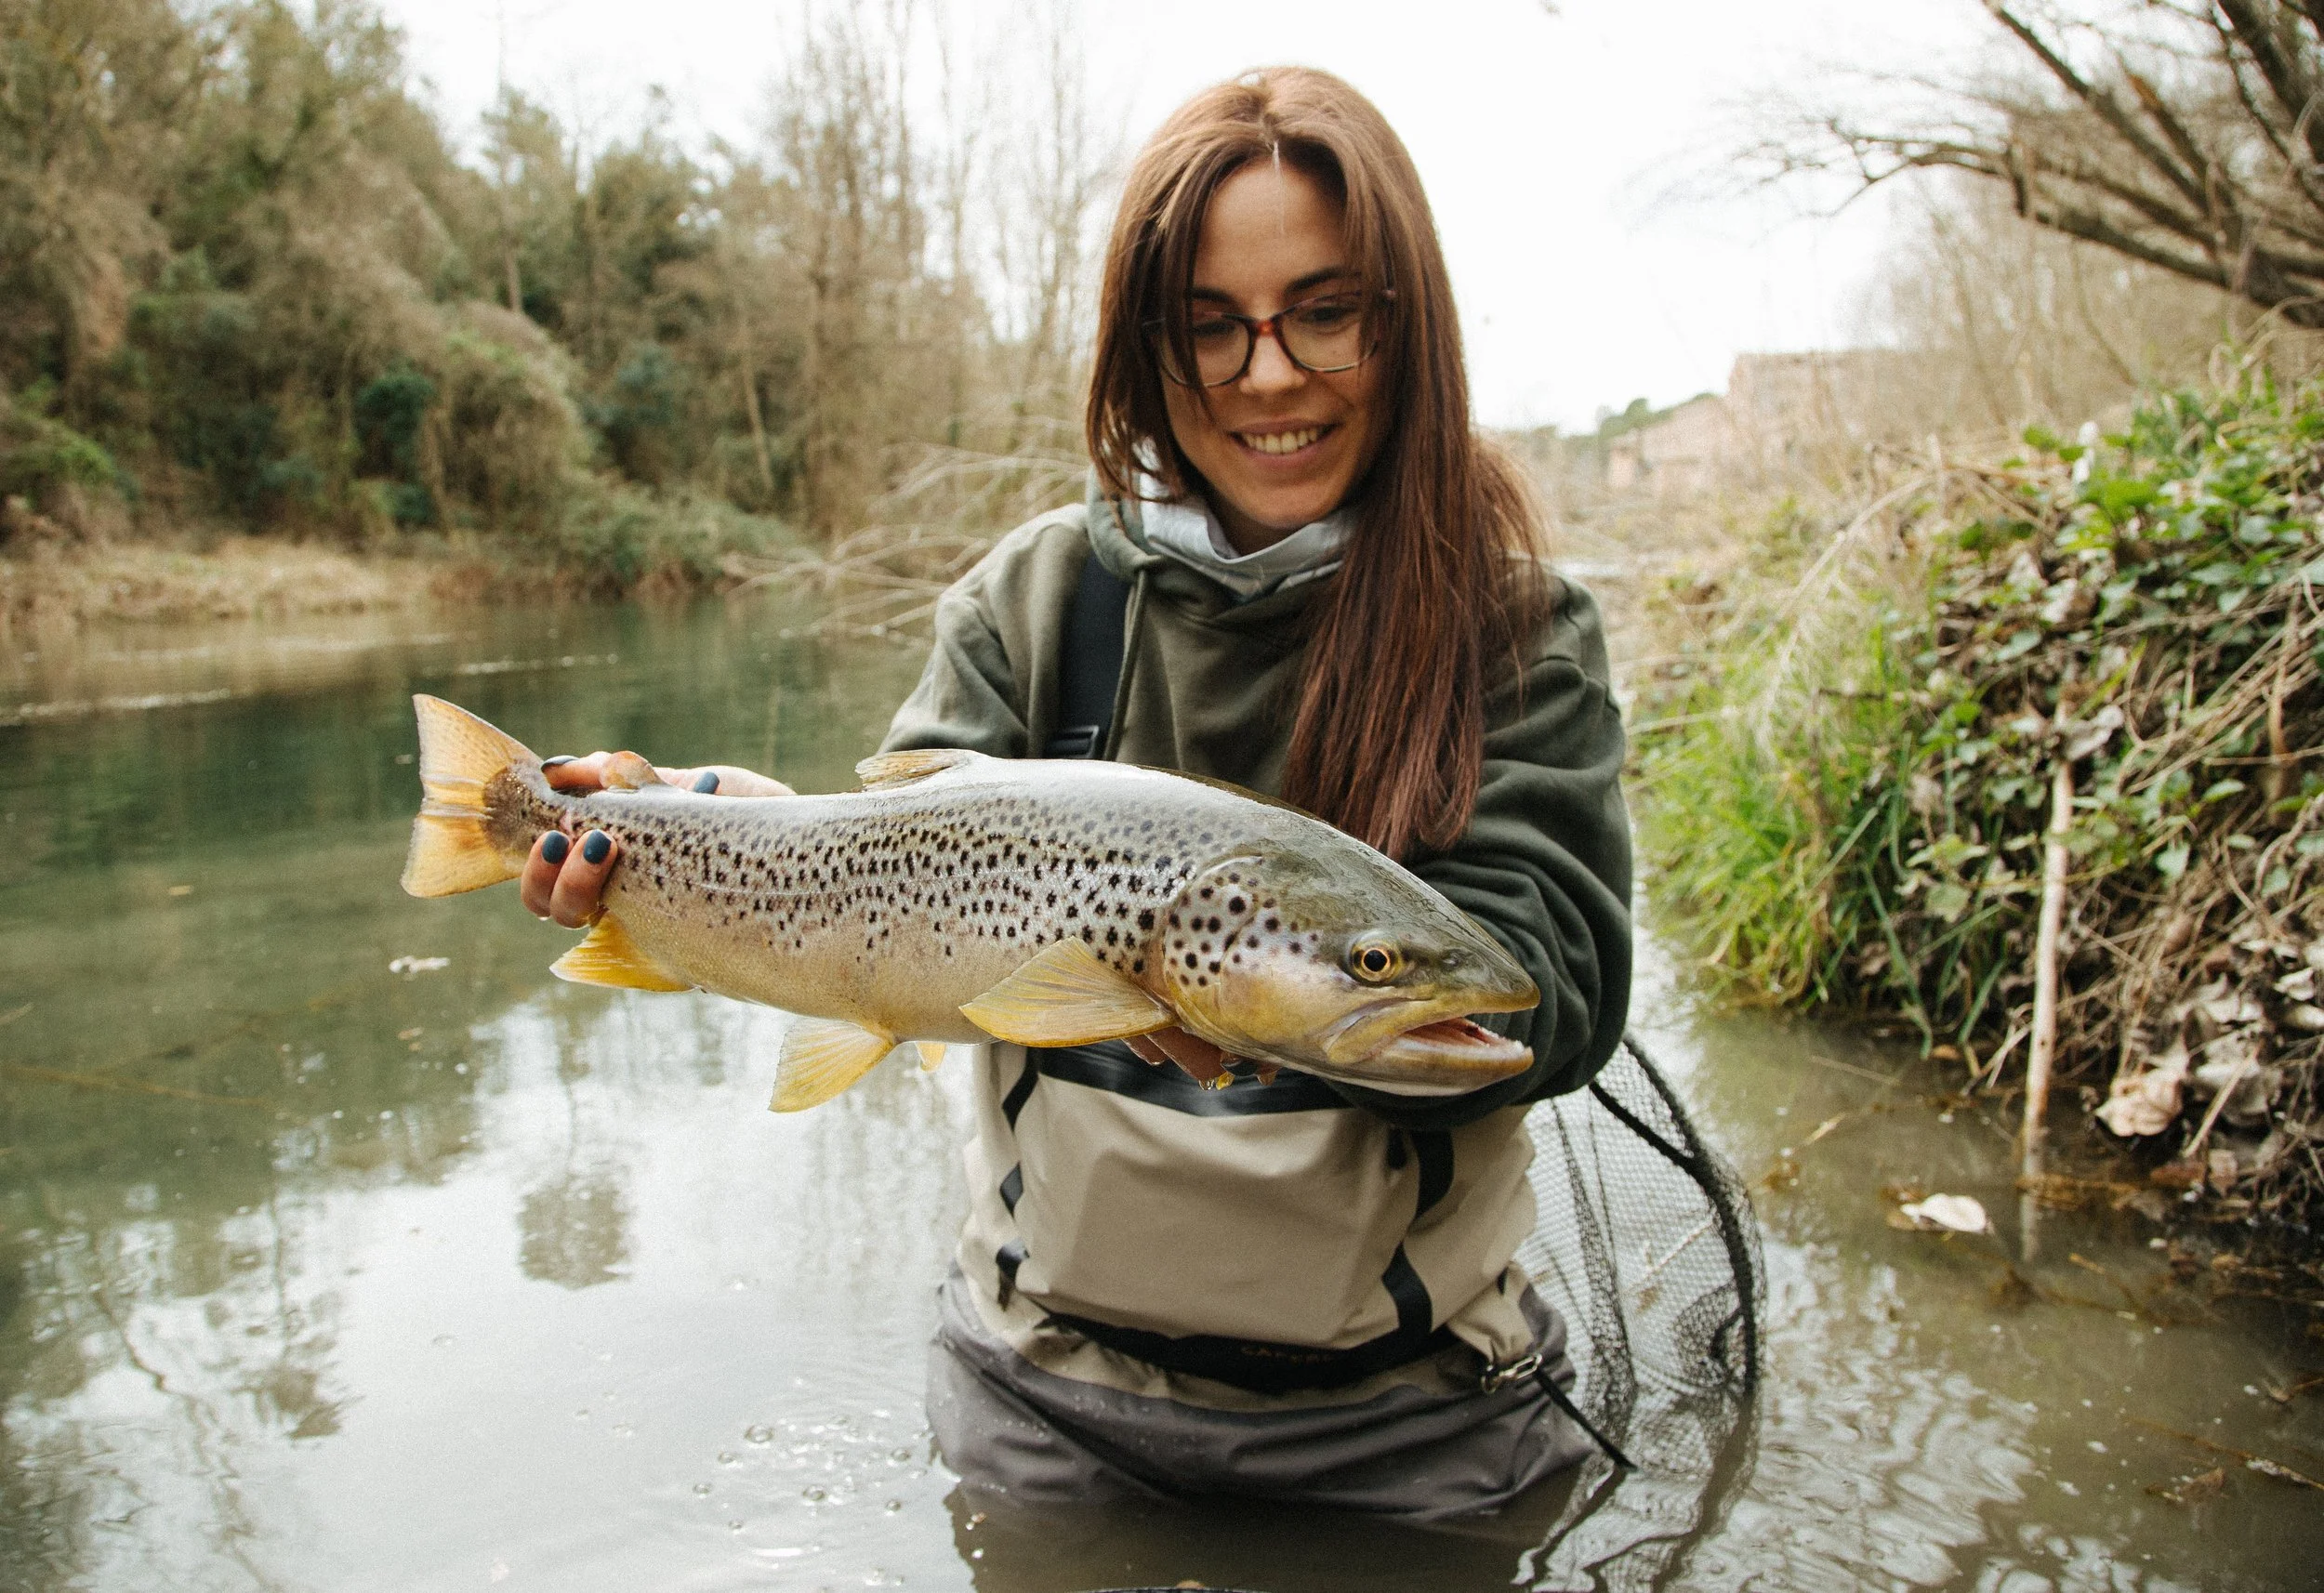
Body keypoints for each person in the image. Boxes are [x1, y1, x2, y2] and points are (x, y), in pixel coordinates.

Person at [520, 66, 1632, 1522]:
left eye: (1326, 309)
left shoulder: (1515, 625)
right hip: (1050, 1399)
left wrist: (1243, 998)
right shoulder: (1036, 599)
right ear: (1143, 346)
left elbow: (1557, 989)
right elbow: (878, 868)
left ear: (1406, 323)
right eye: (1210, 326)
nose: (1269, 373)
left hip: (1416, 1422)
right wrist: (694, 816)